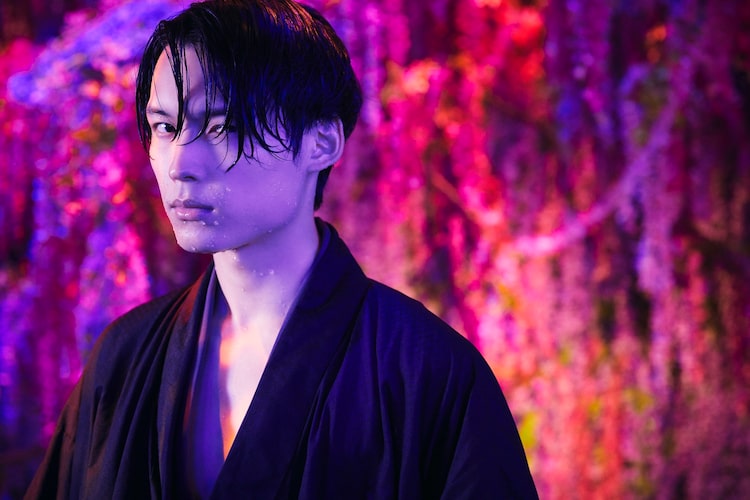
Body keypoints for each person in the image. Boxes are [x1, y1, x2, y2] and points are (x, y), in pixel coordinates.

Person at [25, 0, 538, 498]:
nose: (180, 163)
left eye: (222, 126)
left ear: (321, 142)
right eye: (165, 127)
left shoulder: (427, 370)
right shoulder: (125, 355)